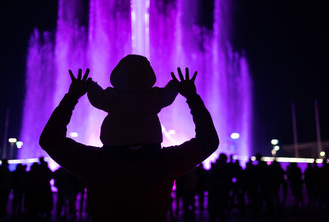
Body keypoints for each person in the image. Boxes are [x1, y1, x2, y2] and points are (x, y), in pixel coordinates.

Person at [39, 67, 219, 222]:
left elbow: (50, 140)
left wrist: (71, 97)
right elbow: (209, 141)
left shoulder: (94, 163)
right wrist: (192, 97)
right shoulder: (165, 163)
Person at [87, 54, 178, 147]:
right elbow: (167, 96)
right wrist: (175, 84)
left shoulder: (112, 96)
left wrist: (90, 85)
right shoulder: (153, 97)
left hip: (115, 145)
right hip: (149, 145)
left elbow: (98, 97)